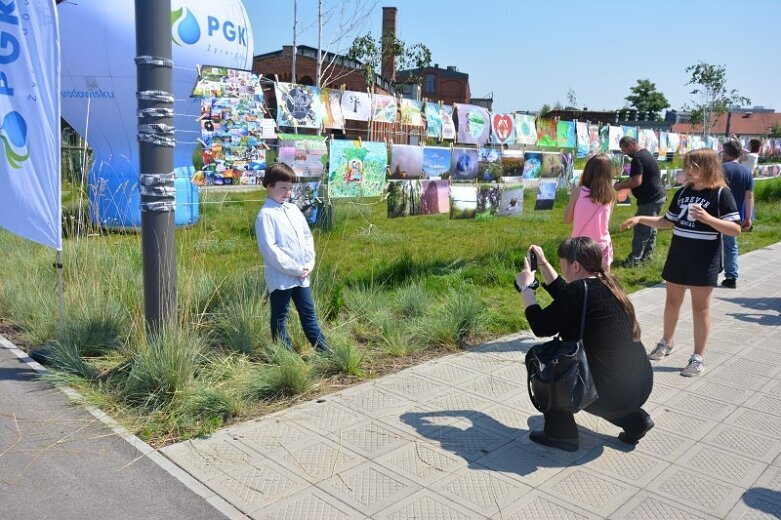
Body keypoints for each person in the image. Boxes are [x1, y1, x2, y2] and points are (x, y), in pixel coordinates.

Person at [515, 237, 654, 452]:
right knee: (608, 375)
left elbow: (541, 326)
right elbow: (567, 294)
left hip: (612, 394)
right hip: (639, 385)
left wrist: (525, 288)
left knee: (543, 361)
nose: (563, 271)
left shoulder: (578, 292)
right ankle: (635, 420)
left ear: (575, 265)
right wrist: (542, 264)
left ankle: (561, 435)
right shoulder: (608, 283)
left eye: (564, 265)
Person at [620, 149, 741, 377]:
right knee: (671, 303)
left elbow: (735, 229)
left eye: (691, 166)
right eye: (686, 166)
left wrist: (708, 218)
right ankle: (666, 342)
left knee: (700, 308)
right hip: (679, 255)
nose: (687, 171)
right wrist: (639, 218)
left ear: (705, 167)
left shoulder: (721, 193)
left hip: (705, 259)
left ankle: (698, 357)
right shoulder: (683, 192)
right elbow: (667, 222)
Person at [255, 162, 330, 353]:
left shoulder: (293, 210)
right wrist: (294, 268)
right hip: (282, 277)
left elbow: (306, 236)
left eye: (289, 188)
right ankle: (286, 357)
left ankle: (326, 352)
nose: (287, 192)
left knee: (308, 314)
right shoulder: (266, 215)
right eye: (282, 188)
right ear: (269, 185)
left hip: (302, 274)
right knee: (280, 317)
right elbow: (269, 250)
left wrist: (308, 263)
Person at [613, 136, 667, 267]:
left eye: (624, 149)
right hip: (656, 196)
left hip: (650, 199)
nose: (624, 153)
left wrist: (621, 186)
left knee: (641, 228)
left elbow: (637, 181)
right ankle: (647, 257)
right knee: (651, 227)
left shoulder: (638, 159)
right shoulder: (646, 153)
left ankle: (634, 260)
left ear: (630, 145)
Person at [564, 154, 615, 270]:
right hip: (603, 245)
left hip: (580, 245)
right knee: (604, 282)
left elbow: (567, 220)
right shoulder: (610, 196)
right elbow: (607, 224)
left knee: (579, 282)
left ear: (587, 171)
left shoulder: (577, 192)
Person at [720, 140, 754, 288]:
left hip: (717, 213)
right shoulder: (746, 172)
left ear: (726, 153)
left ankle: (712, 269)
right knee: (731, 245)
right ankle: (731, 277)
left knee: (713, 242)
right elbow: (749, 196)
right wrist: (748, 217)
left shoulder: (719, 169)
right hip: (735, 216)